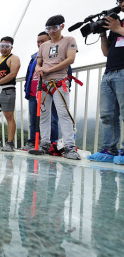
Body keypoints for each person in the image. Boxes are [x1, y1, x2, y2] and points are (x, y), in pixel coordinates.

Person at [35, 15, 80, 160]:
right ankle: (45, 143)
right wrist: (39, 69)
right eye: (48, 28)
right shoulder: (43, 46)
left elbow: (70, 59)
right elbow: (38, 63)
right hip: (44, 84)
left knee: (63, 114)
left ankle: (69, 146)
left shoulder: (69, 40)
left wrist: (49, 70)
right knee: (44, 115)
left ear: (62, 26)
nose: (51, 31)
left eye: (54, 28)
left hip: (60, 81)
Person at [88, 0, 124, 164]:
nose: (122, 3)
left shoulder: (117, 25)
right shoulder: (117, 23)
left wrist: (117, 29)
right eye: (120, 1)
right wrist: (103, 33)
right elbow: (106, 52)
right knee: (107, 115)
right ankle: (109, 150)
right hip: (109, 72)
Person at [22, 32, 60, 152]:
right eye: (38, 42)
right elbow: (29, 74)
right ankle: (33, 142)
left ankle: (52, 142)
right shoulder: (34, 57)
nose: (40, 44)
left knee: (52, 118)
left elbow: (64, 70)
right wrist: (26, 89)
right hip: (34, 92)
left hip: (50, 90)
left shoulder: (55, 54)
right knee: (33, 119)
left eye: (42, 41)